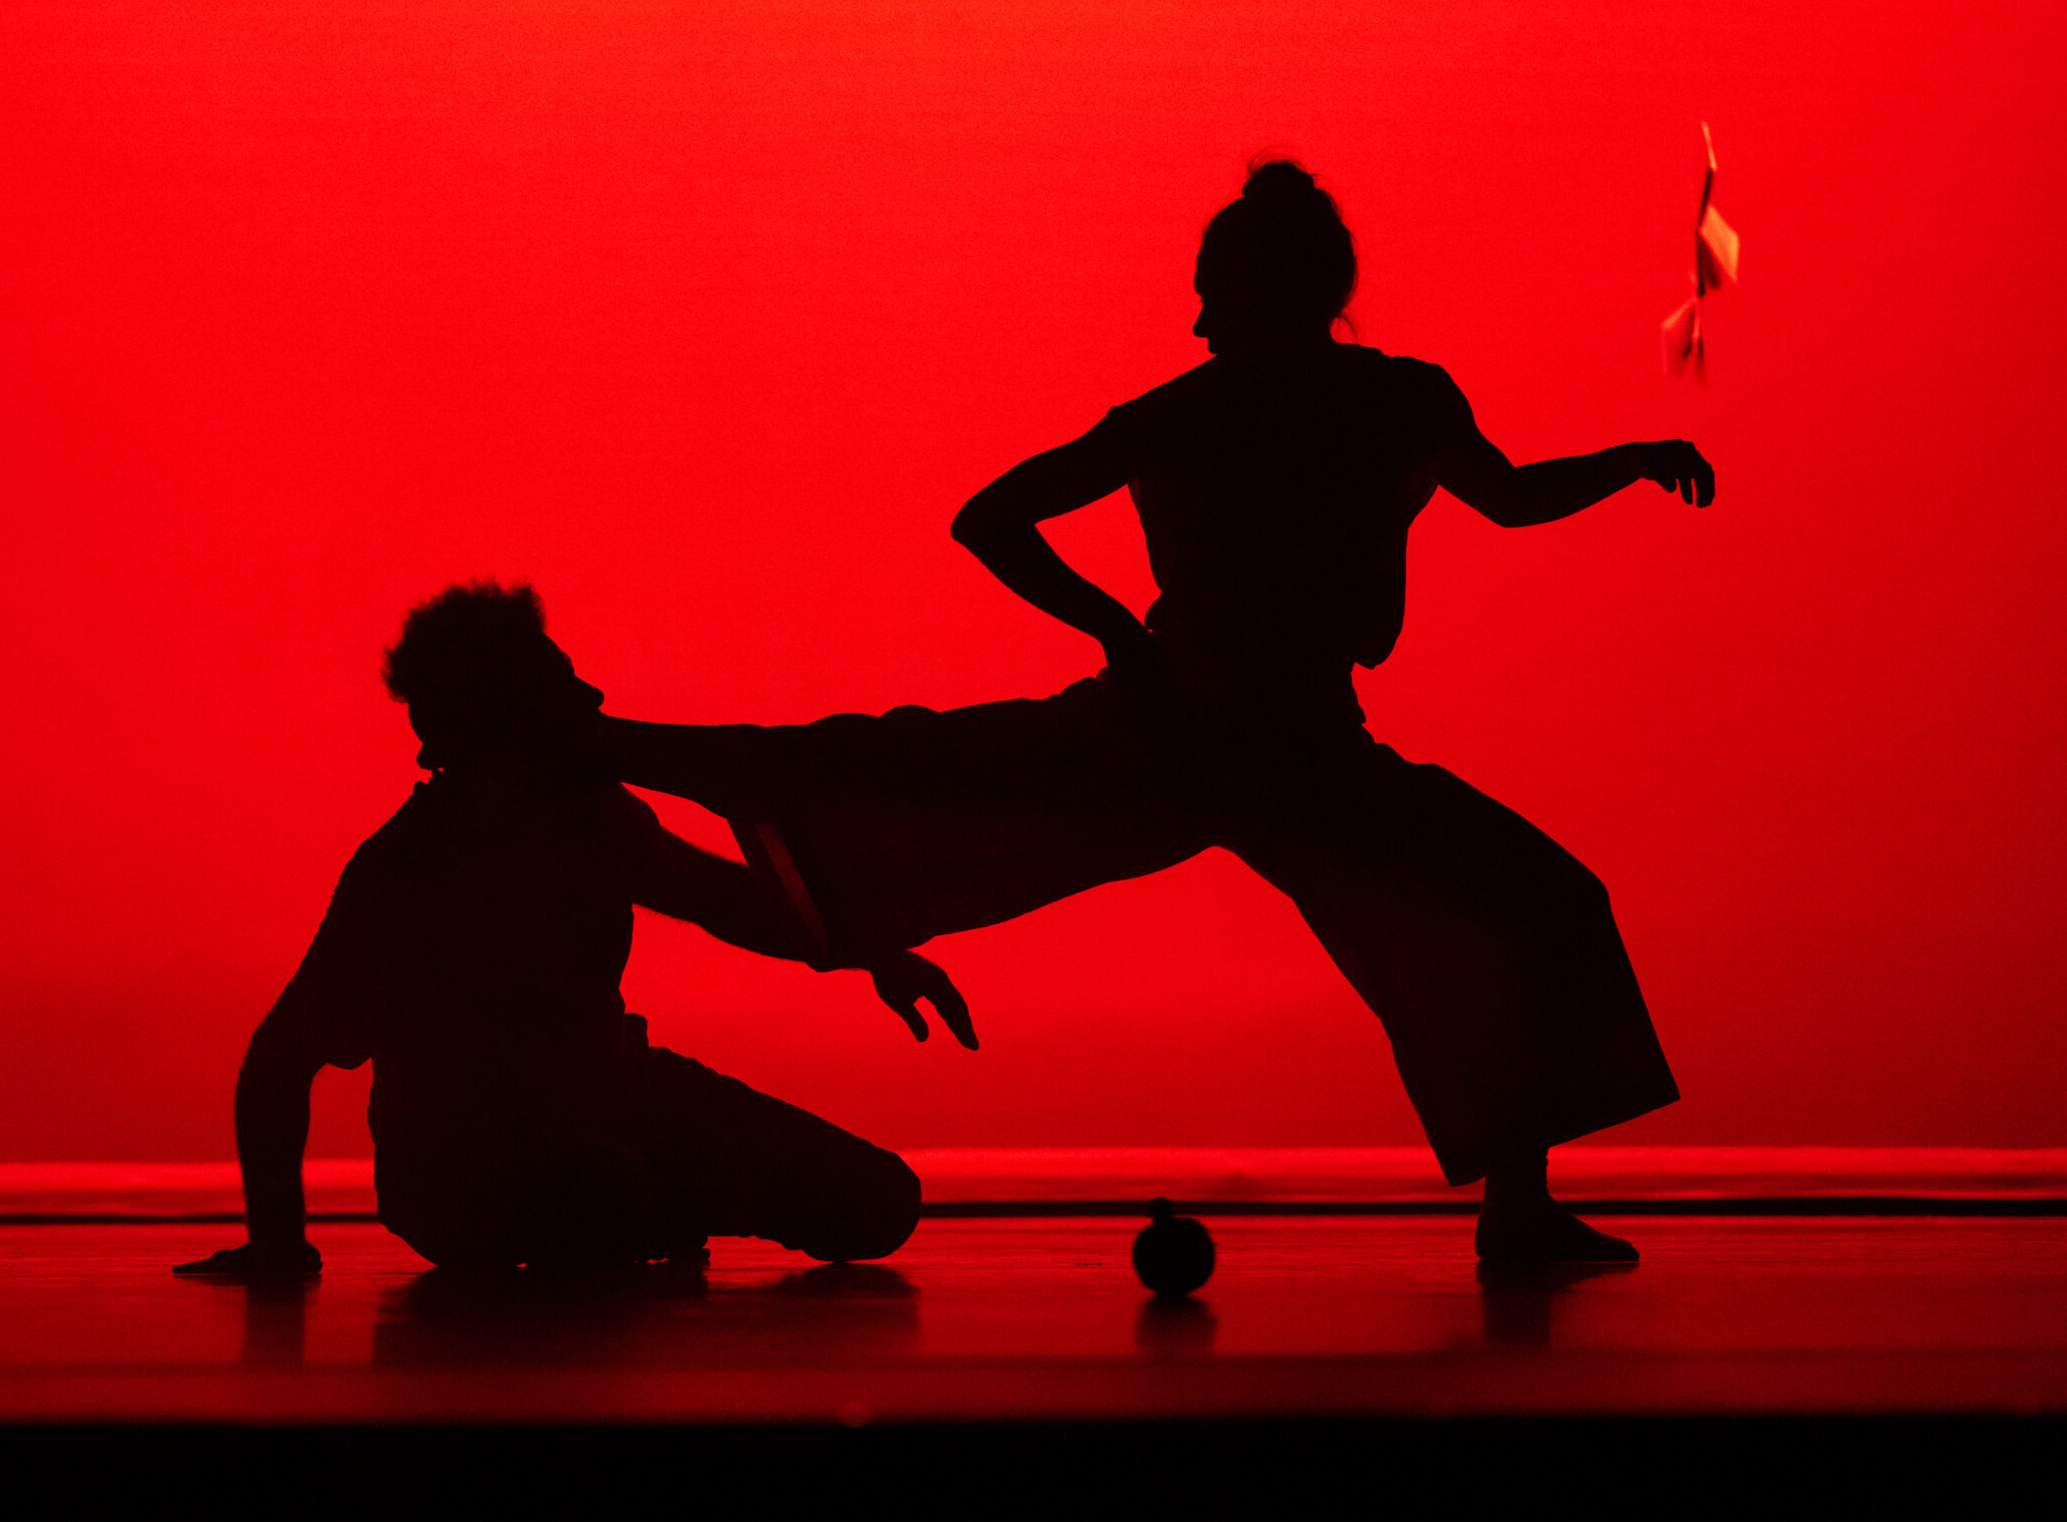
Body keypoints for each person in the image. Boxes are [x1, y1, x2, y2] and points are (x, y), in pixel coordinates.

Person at [610, 161, 1714, 1266]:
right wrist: (1125, 639)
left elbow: (992, 519)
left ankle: (1517, 1209)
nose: (1192, 323)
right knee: (919, 767)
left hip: (1270, 747)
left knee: (1533, 899)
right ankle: (597, 746)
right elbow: (990, 518)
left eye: (1211, 298)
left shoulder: (1300, 409)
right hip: (1210, 741)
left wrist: (1632, 460)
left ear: (1271, 297)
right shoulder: (1350, 404)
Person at [177, 581, 974, 1279]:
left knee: (881, 1201)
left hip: (619, 1095)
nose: (593, 695)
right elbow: (278, 1059)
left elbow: (719, 897)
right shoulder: (403, 870)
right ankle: (653, 1206)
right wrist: (278, 1243)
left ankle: (661, 1203)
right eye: (565, 685)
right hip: (460, 1170)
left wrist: (873, 950)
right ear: (513, 716)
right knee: (597, 1192)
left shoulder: (593, 819)